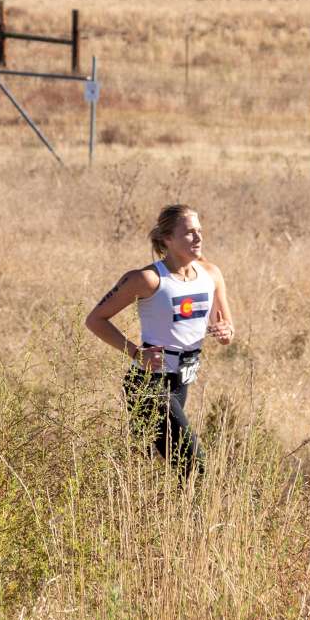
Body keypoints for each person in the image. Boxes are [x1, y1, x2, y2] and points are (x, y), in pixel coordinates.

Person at [84, 204, 235, 476]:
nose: (198, 238)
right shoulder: (147, 279)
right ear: (167, 239)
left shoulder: (211, 275)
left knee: (151, 464)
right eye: (189, 233)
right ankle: (194, 517)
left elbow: (226, 328)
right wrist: (134, 352)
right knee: (194, 465)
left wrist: (225, 333)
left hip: (182, 379)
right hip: (148, 384)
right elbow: (95, 319)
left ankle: (156, 515)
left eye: (199, 231)